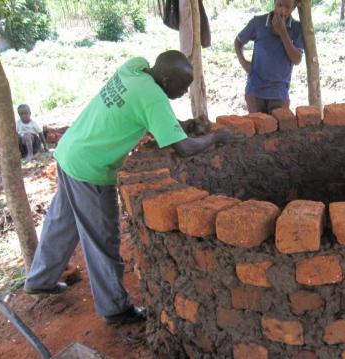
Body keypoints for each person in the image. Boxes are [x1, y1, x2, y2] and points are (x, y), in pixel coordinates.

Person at [24, 50, 237, 325]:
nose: (184, 92)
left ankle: (40, 279)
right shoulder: (154, 98)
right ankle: (114, 308)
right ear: (165, 78)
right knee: (103, 239)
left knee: (61, 221)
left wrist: (176, 125)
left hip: (71, 151)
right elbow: (183, 148)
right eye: (182, 86)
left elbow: (137, 112)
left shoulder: (134, 68)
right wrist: (216, 137)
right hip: (91, 168)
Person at [234, 0, 304, 114]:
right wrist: (244, 63)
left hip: (279, 93)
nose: (282, 10)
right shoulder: (258, 23)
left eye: (287, 7)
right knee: (257, 127)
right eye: (279, 5)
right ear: (274, 2)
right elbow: (238, 42)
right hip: (255, 90)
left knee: (279, 128)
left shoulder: (296, 28)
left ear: (294, 7)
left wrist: (283, 33)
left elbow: (297, 59)